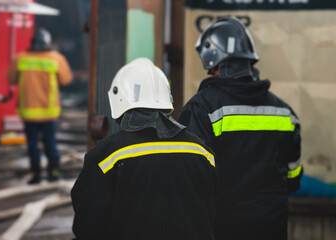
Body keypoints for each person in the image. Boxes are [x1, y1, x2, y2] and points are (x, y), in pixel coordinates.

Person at [178, 17, 303, 240]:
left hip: (221, 227)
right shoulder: (284, 112)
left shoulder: (202, 108)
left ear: (213, 61)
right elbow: (293, 177)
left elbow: (189, 179)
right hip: (271, 227)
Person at [71, 58, 218, 240]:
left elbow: (88, 226)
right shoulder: (202, 152)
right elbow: (214, 215)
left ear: (119, 98)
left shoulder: (105, 158)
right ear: (167, 98)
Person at [7, 28, 72, 184]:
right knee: (50, 141)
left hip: (29, 112)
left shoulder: (21, 58)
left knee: (32, 144)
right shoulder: (56, 58)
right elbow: (66, 80)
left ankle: (36, 175)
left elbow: (11, 79)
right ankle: (53, 173)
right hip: (49, 111)